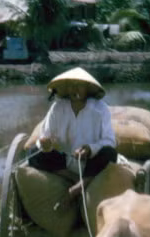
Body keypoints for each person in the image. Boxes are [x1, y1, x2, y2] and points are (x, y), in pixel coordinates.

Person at [29, 67, 118, 201]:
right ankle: (76, 179)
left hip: (91, 162)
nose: (75, 90)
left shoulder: (101, 108)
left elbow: (109, 140)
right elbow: (44, 136)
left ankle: (80, 186)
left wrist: (89, 149)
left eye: (79, 86)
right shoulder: (57, 107)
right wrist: (44, 143)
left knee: (110, 153)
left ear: (87, 88)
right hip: (64, 162)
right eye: (71, 86)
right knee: (33, 153)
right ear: (66, 89)